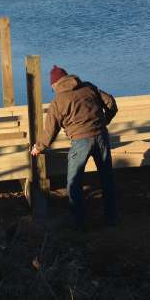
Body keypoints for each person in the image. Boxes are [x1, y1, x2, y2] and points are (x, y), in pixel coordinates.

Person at [31, 65, 119, 227]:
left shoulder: (57, 102)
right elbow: (111, 104)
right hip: (101, 137)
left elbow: (50, 131)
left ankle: (79, 222)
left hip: (80, 142)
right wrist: (105, 121)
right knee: (107, 178)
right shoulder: (88, 87)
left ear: (54, 85)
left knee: (74, 183)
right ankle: (111, 218)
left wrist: (38, 147)